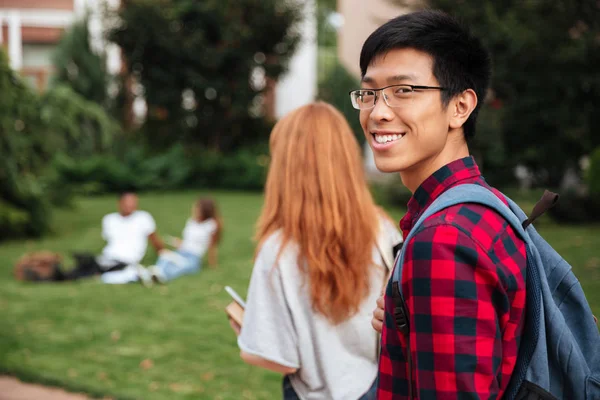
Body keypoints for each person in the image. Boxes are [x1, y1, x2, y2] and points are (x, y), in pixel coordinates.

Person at [354, 10, 527, 399]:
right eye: (369, 92)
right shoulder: (485, 206)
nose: (378, 112)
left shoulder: (444, 239)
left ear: (460, 107)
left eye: (403, 90)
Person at [228, 102, 402, 400]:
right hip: (378, 388)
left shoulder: (278, 250)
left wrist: (246, 331)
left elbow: (275, 357)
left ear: (286, 166)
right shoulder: (383, 230)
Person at [68, 191, 164, 280]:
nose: (130, 205)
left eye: (133, 202)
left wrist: (163, 254)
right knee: (85, 264)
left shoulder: (143, 217)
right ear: (120, 203)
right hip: (108, 256)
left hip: (127, 260)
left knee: (97, 270)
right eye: (128, 202)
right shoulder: (109, 219)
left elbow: (154, 239)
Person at [144, 197, 221, 284]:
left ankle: (159, 275)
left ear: (205, 210)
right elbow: (188, 241)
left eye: (197, 208)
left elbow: (212, 246)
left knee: (180, 267)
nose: (194, 209)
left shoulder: (211, 225)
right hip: (181, 252)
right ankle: (156, 273)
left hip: (193, 257)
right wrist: (178, 242)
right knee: (165, 254)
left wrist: (213, 264)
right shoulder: (191, 221)